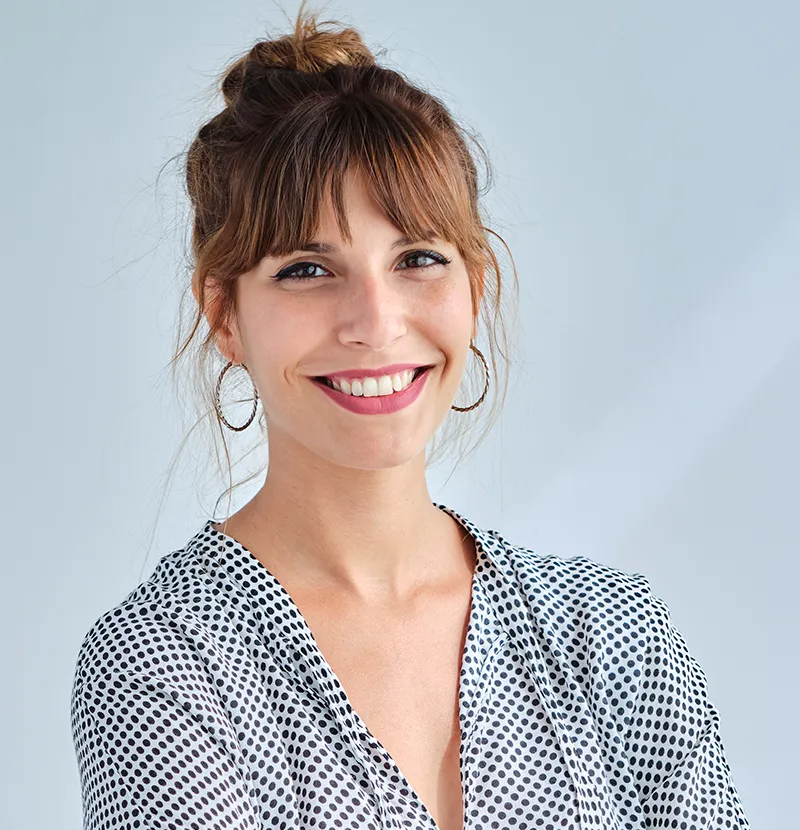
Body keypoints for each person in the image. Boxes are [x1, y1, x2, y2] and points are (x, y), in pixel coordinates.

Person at [70, 4, 750, 829]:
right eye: (307, 269)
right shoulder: (161, 662)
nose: (376, 322)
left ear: (476, 286)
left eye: (418, 259)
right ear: (224, 315)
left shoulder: (614, 635)